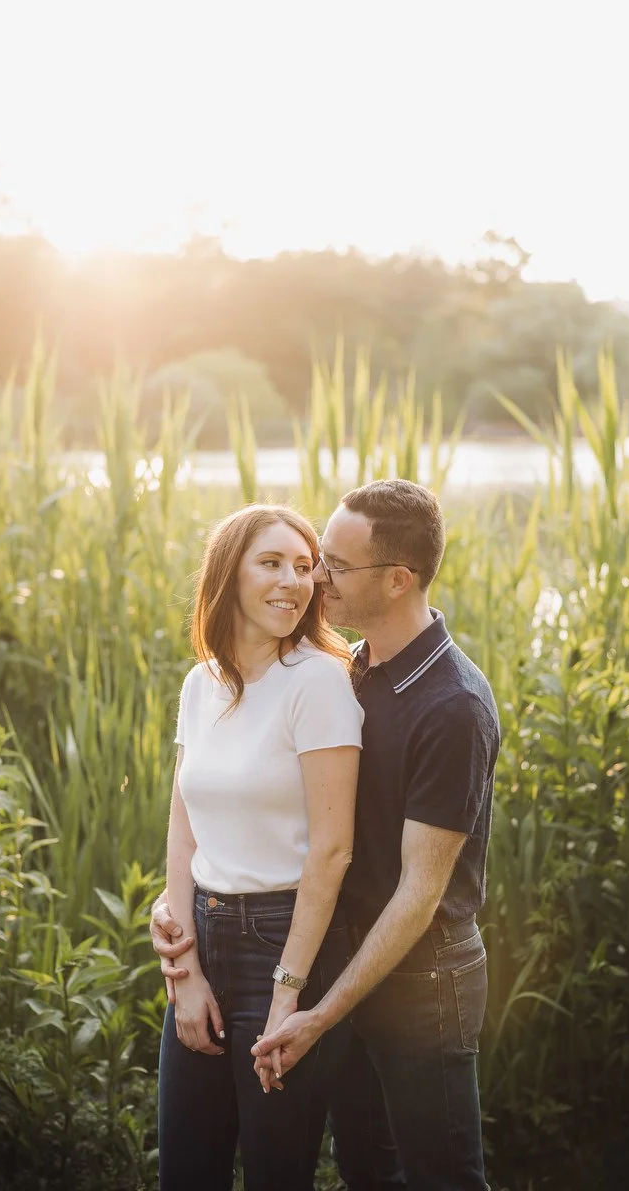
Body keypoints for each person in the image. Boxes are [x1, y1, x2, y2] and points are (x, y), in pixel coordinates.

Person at [153, 479, 501, 1190]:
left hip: (419, 974)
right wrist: (179, 914)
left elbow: (417, 895)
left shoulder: (452, 706)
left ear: (398, 579)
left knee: (442, 1177)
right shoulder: (358, 666)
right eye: (314, 560)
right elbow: (232, 805)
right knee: (366, 1169)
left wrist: (312, 1008)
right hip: (338, 948)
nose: (314, 579)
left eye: (329, 565)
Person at [157, 503, 365, 1191]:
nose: (293, 582)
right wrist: (182, 970)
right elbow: (185, 824)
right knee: (188, 1169)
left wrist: (287, 993)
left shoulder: (318, 682)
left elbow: (332, 852)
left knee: (278, 1174)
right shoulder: (200, 683)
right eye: (271, 563)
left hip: (287, 941)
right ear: (229, 575)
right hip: (204, 937)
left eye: (305, 567)